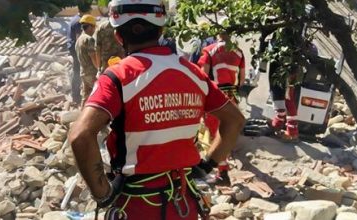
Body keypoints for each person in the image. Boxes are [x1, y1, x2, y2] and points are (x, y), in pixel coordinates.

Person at [68, 0, 245, 219]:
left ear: (118, 35)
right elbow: (235, 120)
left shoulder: (117, 77)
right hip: (183, 204)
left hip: (136, 206)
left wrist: (103, 194)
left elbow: (80, 136)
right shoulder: (193, 73)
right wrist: (206, 165)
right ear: (161, 29)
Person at [197, 25, 246, 185]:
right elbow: (242, 78)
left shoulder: (209, 50)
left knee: (215, 134)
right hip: (232, 96)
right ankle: (223, 170)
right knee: (227, 132)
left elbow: (202, 76)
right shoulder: (238, 51)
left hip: (216, 96)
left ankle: (222, 173)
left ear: (218, 32)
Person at [67, 1, 92, 105]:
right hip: (76, 50)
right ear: (87, 10)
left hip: (73, 48)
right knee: (78, 71)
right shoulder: (79, 22)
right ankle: (76, 96)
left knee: (77, 70)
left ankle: (76, 94)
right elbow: (79, 39)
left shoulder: (75, 18)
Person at [75, 14, 99, 108]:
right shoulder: (89, 40)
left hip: (83, 72)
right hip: (91, 73)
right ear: (90, 26)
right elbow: (93, 57)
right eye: (93, 27)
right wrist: (99, 70)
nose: (94, 30)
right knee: (97, 95)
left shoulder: (79, 39)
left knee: (85, 96)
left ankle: (81, 114)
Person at [94, 5, 124, 75]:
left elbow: (97, 49)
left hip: (106, 64)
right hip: (121, 61)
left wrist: (98, 68)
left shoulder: (101, 27)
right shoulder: (123, 25)